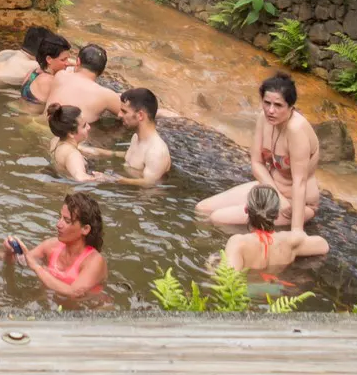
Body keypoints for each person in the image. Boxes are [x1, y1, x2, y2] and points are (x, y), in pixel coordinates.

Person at [196, 73, 322, 232]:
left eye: (278, 105)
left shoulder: (296, 130)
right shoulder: (264, 118)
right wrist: (276, 195)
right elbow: (256, 163)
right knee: (202, 209)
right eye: (267, 103)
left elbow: (300, 182)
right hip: (270, 190)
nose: (271, 110)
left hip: (296, 203)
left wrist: (296, 232)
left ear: (291, 107)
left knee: (218, 218)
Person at [3, 192, 109, 300]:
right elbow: (22, 261)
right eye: (60, 217)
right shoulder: (51, 246)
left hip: (87, 311)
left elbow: (74, 292)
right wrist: (10, 252)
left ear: (85, 229)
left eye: (67, 221)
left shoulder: (95, 261)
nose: (58, 224)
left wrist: (36, 267)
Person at [222, 184, 329, 276]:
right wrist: (299, 235)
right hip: (277, 292)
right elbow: (324, 246)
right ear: (277, 214)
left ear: (246, 209)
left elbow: (229, 284)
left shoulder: (238, 243)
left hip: (249, 294)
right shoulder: (291, 241)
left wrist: (211, 265)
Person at [47, 44, 124, 129]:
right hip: (77, 139)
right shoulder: (106, 95)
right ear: (101, 71)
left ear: (78, 61)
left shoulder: (60, 75)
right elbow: (128, 113)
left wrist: (76, 63)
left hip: (46, 127)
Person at [112, 87, 173, 186]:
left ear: (140, 115)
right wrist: (97, 152)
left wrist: (112, 179)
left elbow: (149, 184)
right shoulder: (136, 137)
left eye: (124, 111)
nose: (119, 115)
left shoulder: (156, 151)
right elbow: (130, 156)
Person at [47, 103, 108, 183]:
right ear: (71, 133)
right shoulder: (73, 154)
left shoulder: (55, 141)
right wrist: (106, 178)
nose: (89, 127)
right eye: (84, 126)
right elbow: (80, 178)